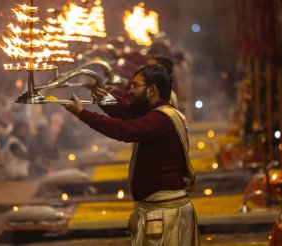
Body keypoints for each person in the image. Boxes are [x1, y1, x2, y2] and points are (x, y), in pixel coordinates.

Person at [64, 64, 200, 245]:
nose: (130, 90)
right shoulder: (156, 112)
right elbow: (128, 111)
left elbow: (124, 130)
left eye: (136, 86)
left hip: (165, 212)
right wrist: (103, 96)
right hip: (158, 209)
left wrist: (82, 113)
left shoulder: (161, 118)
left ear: (152, 90)